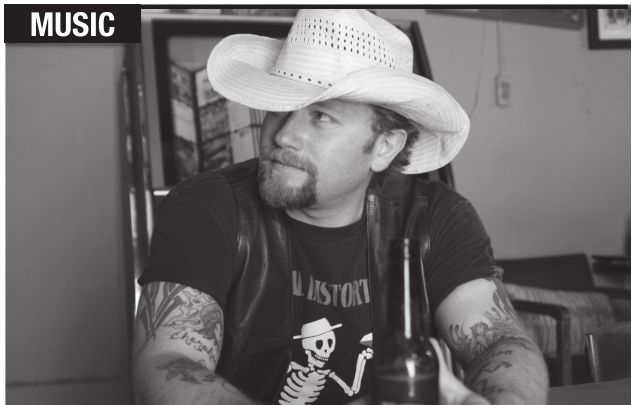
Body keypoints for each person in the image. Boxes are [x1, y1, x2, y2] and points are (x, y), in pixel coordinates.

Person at [132, 9, 548, 405]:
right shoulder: (207, 207)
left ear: (384, 146)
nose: (284, 135)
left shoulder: (435, 218)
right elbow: (169, 363)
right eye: (281, 107)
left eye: (321, 117)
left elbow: (500, 342)